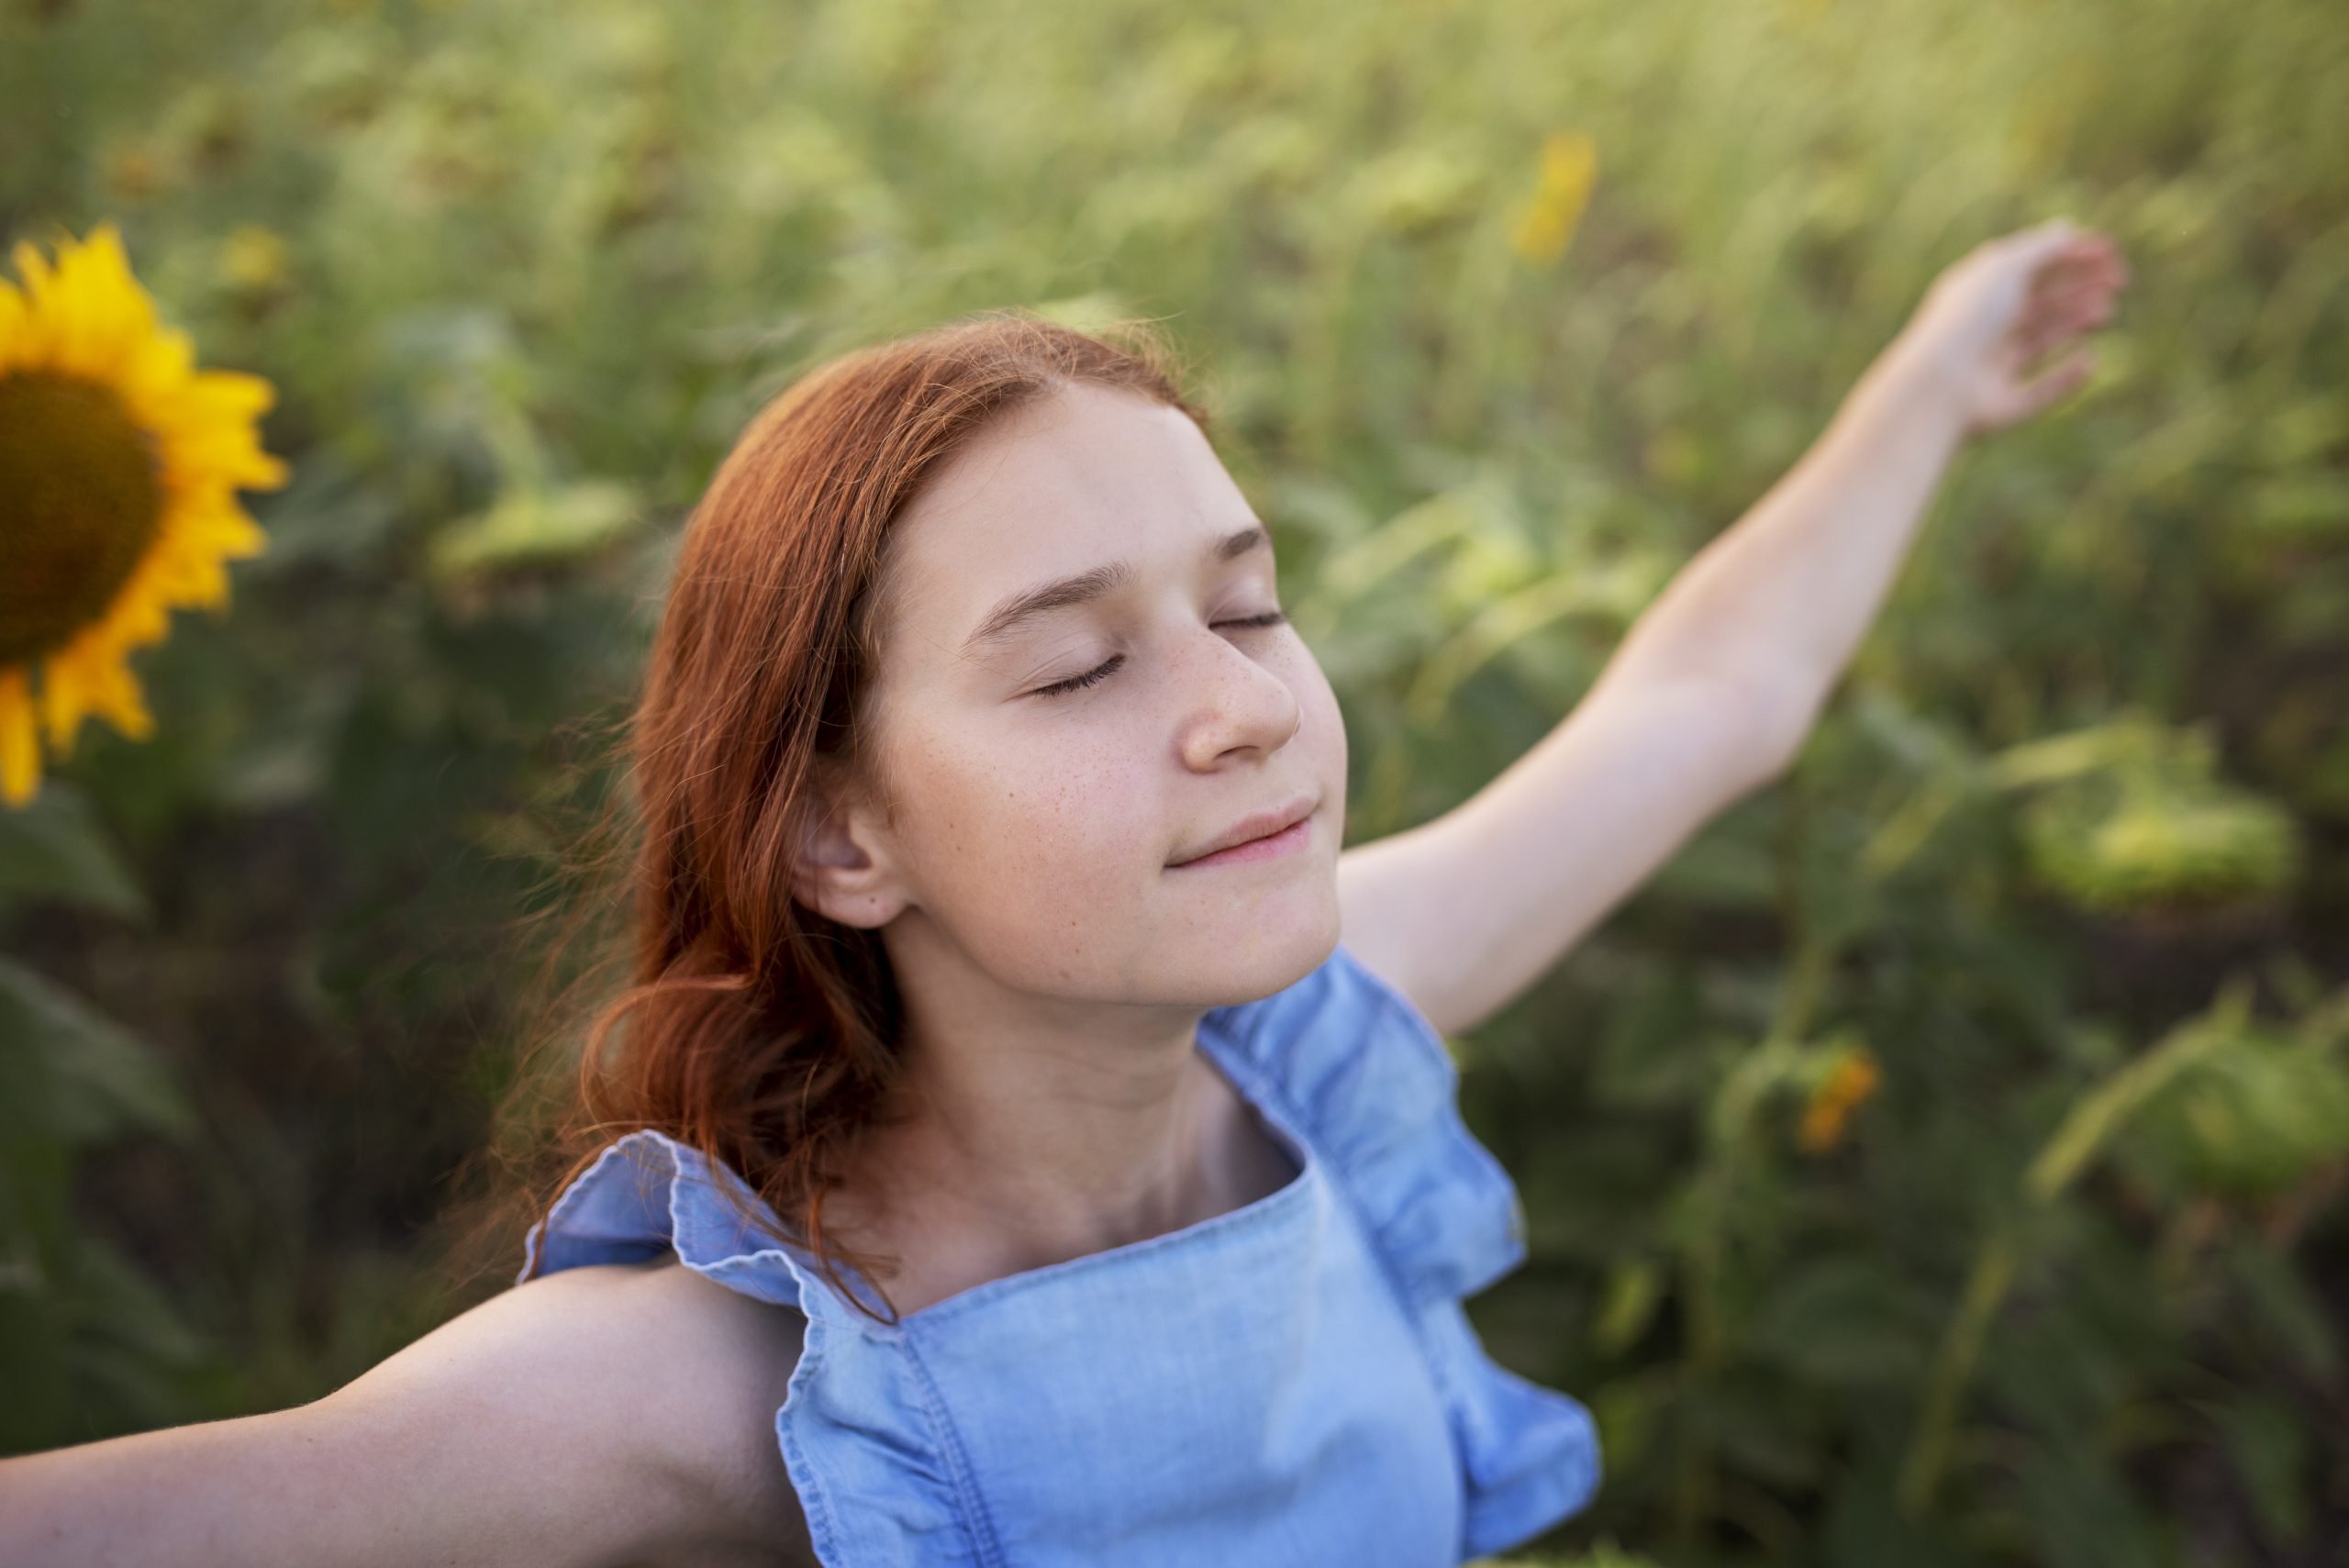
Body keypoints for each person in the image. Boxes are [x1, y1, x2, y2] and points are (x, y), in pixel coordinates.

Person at [0, 217, 2128, 1567]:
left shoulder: (1310, 1041)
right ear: (841, 834)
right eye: (1079, 663)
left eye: (1249, 607)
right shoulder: (714, 1392)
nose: (1238, 713)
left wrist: (1933, 377)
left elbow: (1708, 697)